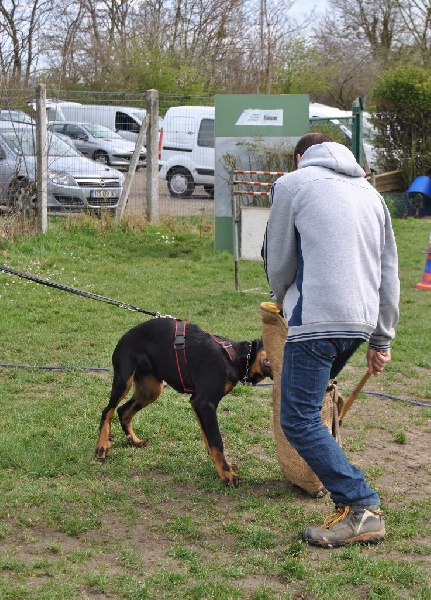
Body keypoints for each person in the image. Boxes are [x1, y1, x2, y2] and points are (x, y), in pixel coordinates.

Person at [262, 132, 400, 548]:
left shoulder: (291, 184)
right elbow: (389, 269)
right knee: (315, 396)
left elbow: (279, 257)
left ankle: (361, 505)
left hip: (317, 317)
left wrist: (280, 299)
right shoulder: (370, 193)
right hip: (360, 321)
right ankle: (325, 478)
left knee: (298, 418)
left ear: (301, 157)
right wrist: (381, 338)